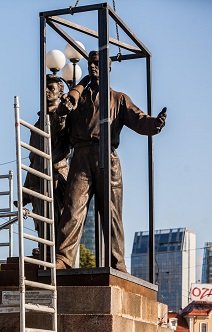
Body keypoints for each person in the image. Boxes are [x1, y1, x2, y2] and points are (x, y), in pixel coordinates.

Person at [55, 50, 167, 272]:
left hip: (108, 156)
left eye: (98, 64)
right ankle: (63, 258)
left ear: (108, 68)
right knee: (73, 208)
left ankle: (118, 263)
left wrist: (155, 124)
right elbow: (63, 126)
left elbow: (139, 119)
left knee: (112, 214)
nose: (93, 67)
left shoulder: (119, 99)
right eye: (91, 64)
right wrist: (64, 110)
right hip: (81, 157)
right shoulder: (78, 98)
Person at [23, 74, 70, 231]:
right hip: (38, 178)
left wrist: (47, 163)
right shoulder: (38, 122)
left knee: (57, 219)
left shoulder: (62, 117)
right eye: (45, 88)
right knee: (40, 220)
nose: (47, 91)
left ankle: (53, 253)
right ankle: (43, 251)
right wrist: (25, 191)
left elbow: (65, 147)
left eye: (51, 88)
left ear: (60, 92)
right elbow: (33, 157)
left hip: (56, 176)